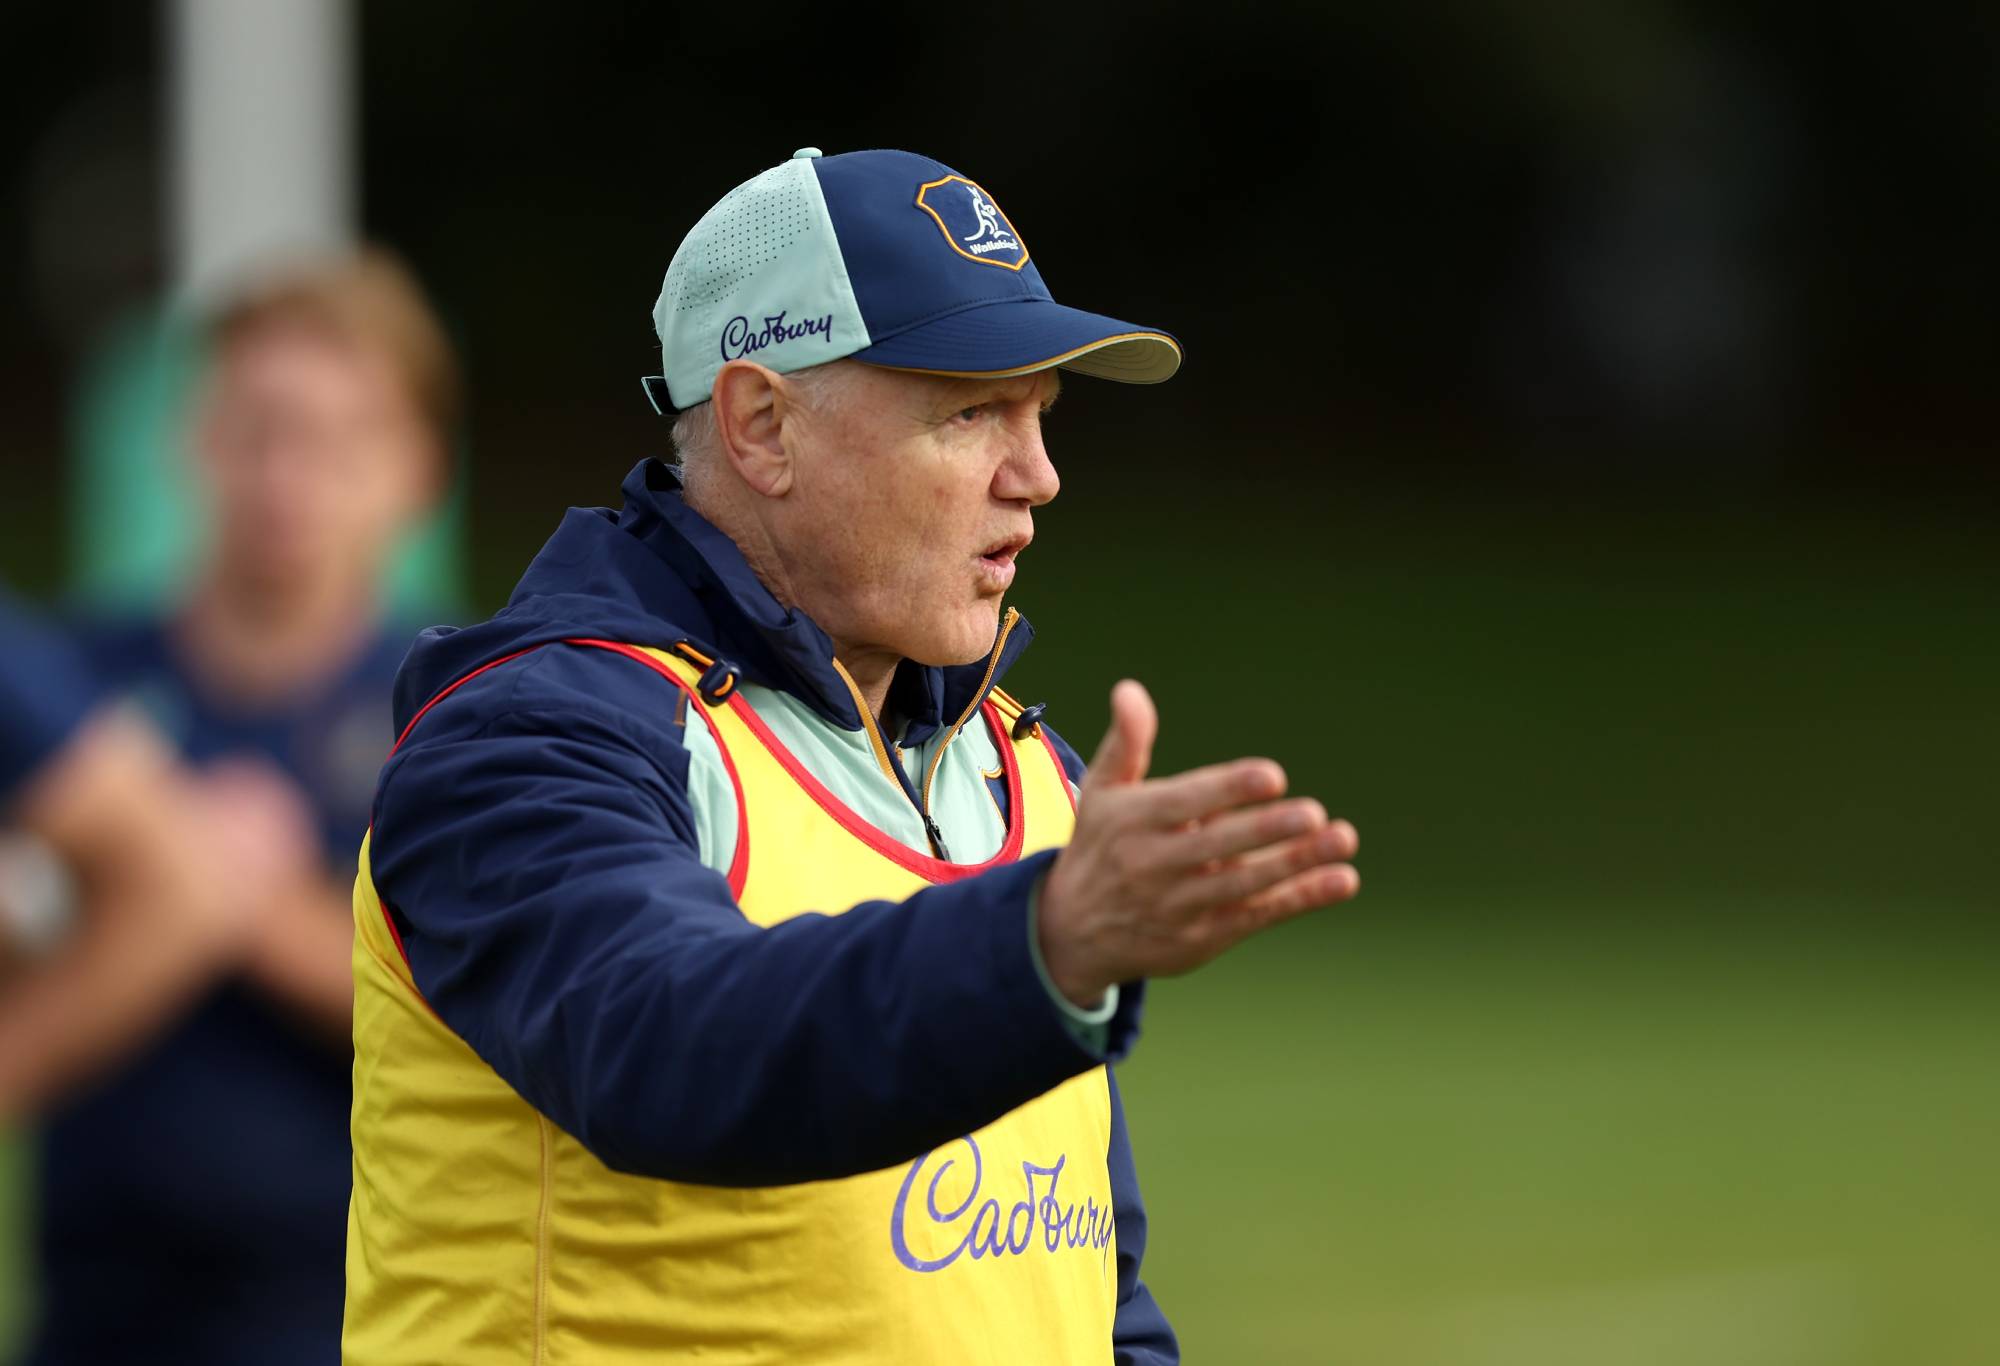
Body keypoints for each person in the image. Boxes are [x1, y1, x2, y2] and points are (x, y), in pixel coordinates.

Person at [346, 147, 1361, 1365]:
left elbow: (1090, 1292)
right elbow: (668, 1047)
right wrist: (1041, 944)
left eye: (1041, 412)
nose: (1036, 477)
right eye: (971, 410)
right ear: (761, 425)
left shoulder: (1029, 770)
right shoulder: (527, 736)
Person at [27, 250, 455, 1366]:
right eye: (258, 426)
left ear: (417, 466)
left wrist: (202, 882)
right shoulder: (73, 691)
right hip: (86, 1309)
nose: (287, 472)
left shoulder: (469, 714)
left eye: (336, 436)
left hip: (348, 1317)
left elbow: (486, 1016)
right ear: (192, 440)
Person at [0, 589, 293, 1118]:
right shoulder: (88, 653)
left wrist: (233, 879)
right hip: (92, 1176)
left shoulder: (422, 698)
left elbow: (185, 893)